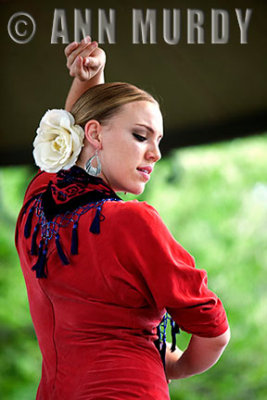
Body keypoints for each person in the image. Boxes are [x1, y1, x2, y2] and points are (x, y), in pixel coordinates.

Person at [15, 37, 230, 400]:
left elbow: (72, 151)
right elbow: (215, 331)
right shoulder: (132, 222)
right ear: (95, 134)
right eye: (141, 136)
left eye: (158, 140)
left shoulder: (37, 205)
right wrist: (172, 366)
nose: (156, 153)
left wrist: (89, 78)